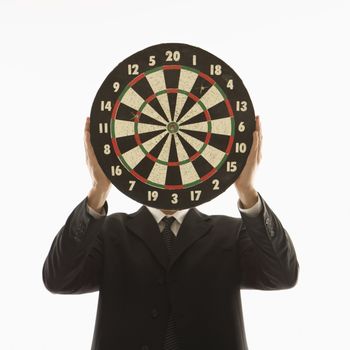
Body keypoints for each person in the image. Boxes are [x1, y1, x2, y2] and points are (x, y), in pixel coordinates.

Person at [42, 115, 299, 350]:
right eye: (161, 152)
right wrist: (98, 190)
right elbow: (57, 279)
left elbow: (284, 275)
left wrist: (247, 191)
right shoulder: (109, 232)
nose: (170, 165)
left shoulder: (230, 233)